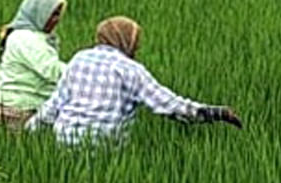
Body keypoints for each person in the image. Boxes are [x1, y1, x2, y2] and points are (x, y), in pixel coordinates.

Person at [28, 16, 241, 145]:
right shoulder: (129, 69)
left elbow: (54, 105)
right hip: (104, 148)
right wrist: (216, 112)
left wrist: (28, 131)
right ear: (126, 41)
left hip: (64, 142)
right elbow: (170, 106)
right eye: (136, 42)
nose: (137, 47)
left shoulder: (78, 58)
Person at [0, 0, 68, 132]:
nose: (57, 20)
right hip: (19, 111)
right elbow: (51, 70)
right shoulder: (25, 38)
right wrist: (81, 71)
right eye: (53, 14)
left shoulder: (28, 36)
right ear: (38, 13)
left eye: (58, 14)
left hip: (18, 108)